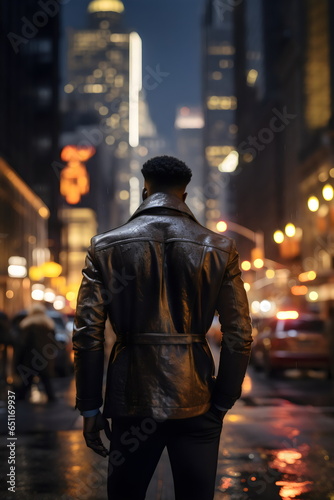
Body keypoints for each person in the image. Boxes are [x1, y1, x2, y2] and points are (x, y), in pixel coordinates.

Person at [73, 155, 253, 500]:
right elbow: (239, 335)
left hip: (132, 397)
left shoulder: (104, 247)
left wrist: (90, 406)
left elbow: (86, 335)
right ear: (184, 196)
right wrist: (222, 402)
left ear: (145, 190)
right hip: (197, 397)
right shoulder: (219, 247)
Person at [18, 303, 56, 402]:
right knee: (46, 381)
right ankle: (51, 398)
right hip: (45, 357)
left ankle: (21, 398)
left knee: (27, 381)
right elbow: (53, 342)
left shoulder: (27, 324)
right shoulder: (48, 324)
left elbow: (23, 343)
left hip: (31, 357)